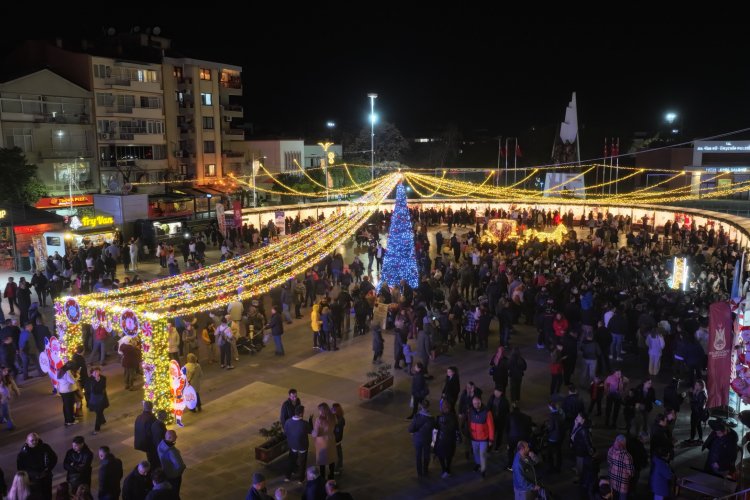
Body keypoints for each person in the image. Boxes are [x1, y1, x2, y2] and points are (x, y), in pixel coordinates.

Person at [17, 432, 57, 499]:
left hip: (46, 476)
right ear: (27, 441)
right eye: (32, 440)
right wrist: (33, 475)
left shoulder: (45, 447)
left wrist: (48, 470)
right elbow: (20, 467)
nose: (35, 442)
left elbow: (54, 458)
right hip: (32, 479)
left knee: (47, 494)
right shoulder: (23, 453)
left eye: (36, 440)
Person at [468, 395, 494, 478]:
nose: (476, 404)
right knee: (475, 453)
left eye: (478, 402)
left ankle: (483, 470)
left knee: (482, 454)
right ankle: (478, 464)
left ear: (481, 402)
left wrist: (491, 439)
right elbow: (468, 422)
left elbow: (491, 426)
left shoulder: (487, 412)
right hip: (474, 438)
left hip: (484, 439)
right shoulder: (470, 411)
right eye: (474, 403)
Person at [283, 405, 311, 483]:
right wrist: (310, 422)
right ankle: (301, 479)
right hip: (302, 446)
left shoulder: (288, 421)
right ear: (301, 414)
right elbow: (310, 431)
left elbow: (285, 432)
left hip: (292, 445)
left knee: (291, 460)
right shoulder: (304, 423)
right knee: (302, 462)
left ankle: (288, 476)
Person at [408, 398, 434, 477]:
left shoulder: (417, 417)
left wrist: (413, 432)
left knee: (418, 455)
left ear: (421, 406)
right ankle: (425, 470)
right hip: (427, 439)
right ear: (428, 407)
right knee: (426, 455)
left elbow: (410, 429)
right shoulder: (431, 419)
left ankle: (419, 472)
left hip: (418, 439)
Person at [312, 402, 338, 480]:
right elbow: (335, 423)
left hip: (322, 442)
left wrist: (312, 432)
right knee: (331, 459)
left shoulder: (319, 420)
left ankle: (323, 478)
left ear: (321, 411)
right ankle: (331, 476)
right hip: (330, 439)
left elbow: (316, 433)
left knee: (322, 461)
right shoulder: (332, 416)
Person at [434, 402, 459, 478]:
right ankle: (447, 469)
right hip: (450, 440)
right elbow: (456, 428)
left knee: (441, 455)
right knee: (449, 456)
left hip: (441, 440)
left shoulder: (439, 417)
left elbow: (435, 429)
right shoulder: (454, 417)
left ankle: (444, 469)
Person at [158, 430, 186, 496]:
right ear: (170, 437)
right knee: (175, 492)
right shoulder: (172, 451)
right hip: (174, 475)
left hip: (166, 473)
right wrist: (183, 467)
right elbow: (179, 465)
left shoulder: (160, 445)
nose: (176, 436)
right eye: (175, 436)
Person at [607, 435, 634, 500]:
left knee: (614, 496)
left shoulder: (610, 450)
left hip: (612, 479)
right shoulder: (627, 456)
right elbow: (631, 472)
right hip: (623, 483)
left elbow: (609, 461)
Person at [133, 401, 158, 468]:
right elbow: (154, 432)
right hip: (149, 444)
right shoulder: (152, 418)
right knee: (154, 459)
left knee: (150, 456)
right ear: (152, 408)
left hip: (140, 442)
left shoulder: (139, 417)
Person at [86, 366, 108, 435]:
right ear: (92, 373)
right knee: (99, 411)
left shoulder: (103, 378)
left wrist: (99, 382)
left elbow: (103, 388)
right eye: (95, 372)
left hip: (101, 399)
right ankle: (103, 421)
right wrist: (96, 382)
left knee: (98, 413)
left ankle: (97, 429)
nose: (97, 373)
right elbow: (91, 390)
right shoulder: (89, 380)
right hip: (94, 400)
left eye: (98, 371)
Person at [687, 379, 708, 445]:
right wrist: (691, 394)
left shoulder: (702, 394)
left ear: (701, 386)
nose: (695, 386)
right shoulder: (697, 391)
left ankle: (692, 439)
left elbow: (700, 405)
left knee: (693, 426)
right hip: (695, 412)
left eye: (697, 385)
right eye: (695, 384)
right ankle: (700, 438)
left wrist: (691, 401)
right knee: (698, 425)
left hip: (697, 413)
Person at [331, 403, 345, 473]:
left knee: (336, 455)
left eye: (333, 409)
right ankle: (340, 466)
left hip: (336, 440)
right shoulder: (340, 418)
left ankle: (336, 469)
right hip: (337, 440)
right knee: (339, 453)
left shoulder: (339, 421)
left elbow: (337, 431)